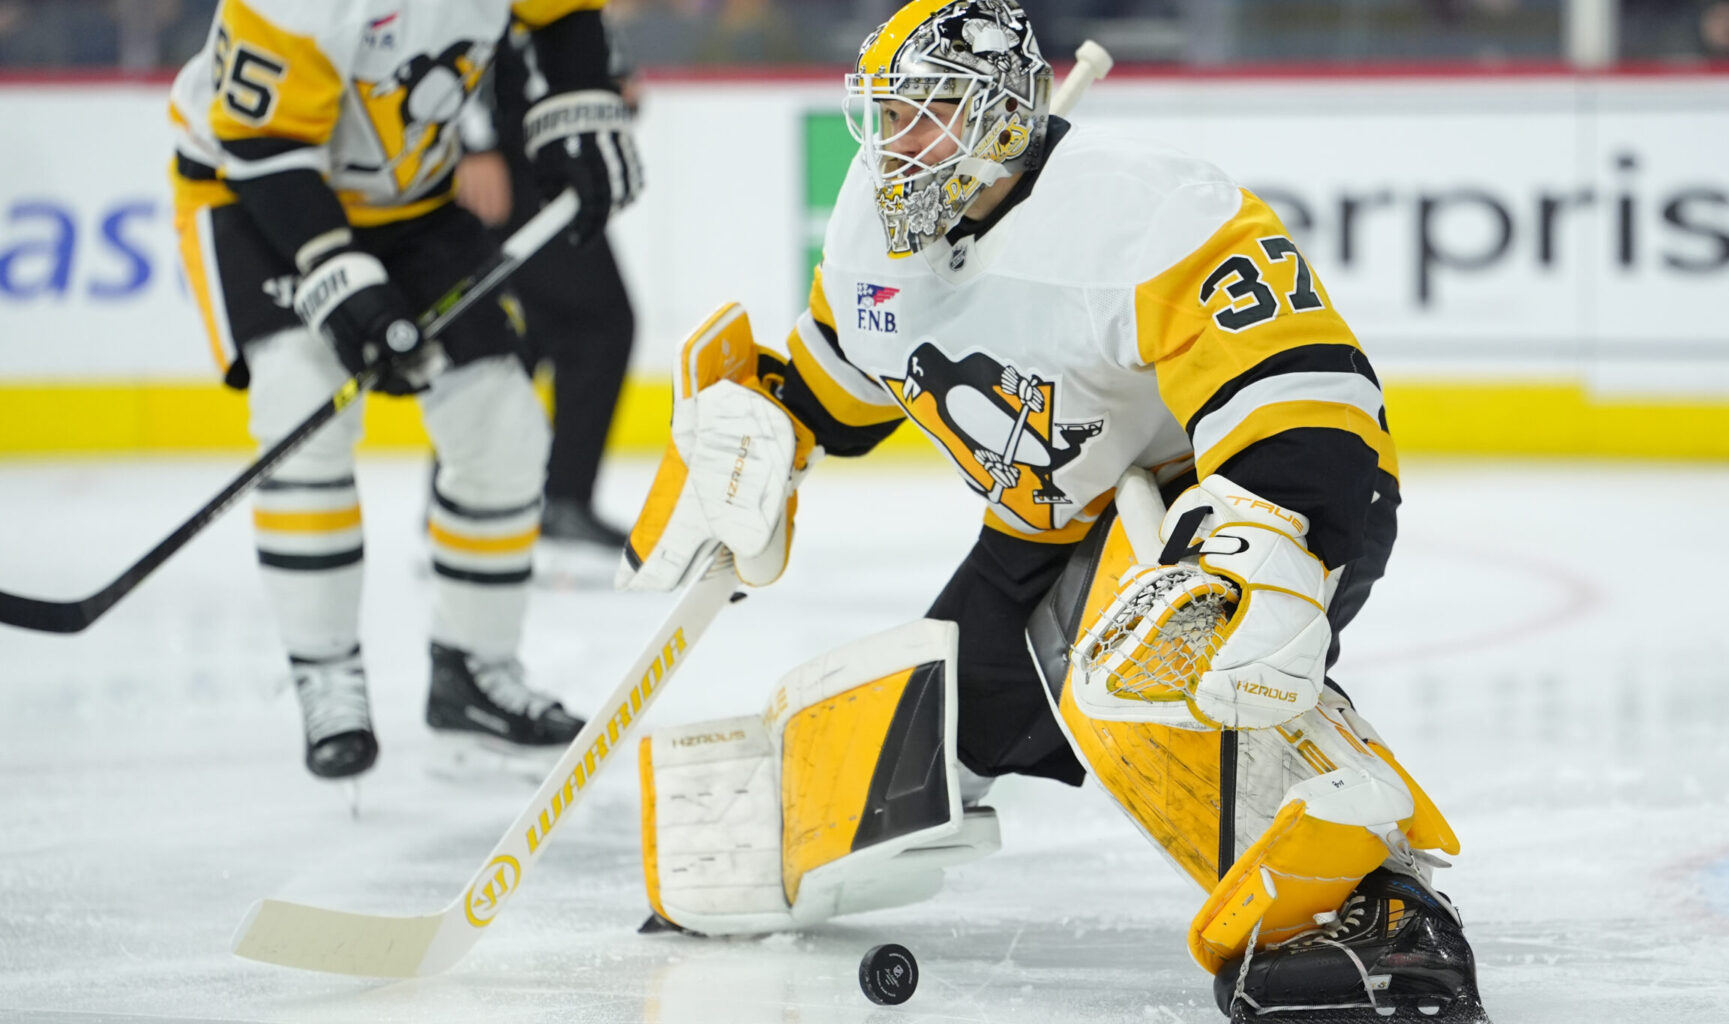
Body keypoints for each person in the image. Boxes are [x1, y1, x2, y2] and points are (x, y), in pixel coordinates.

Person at [616, 2, 1486, 1020]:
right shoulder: (876, 212)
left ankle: (1374, 916)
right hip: (1047, 528)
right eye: (888, 114)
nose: (898, 144)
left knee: (1147, 662)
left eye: (930, 113)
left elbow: (1303, 391)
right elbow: (852, 369)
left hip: (1219, 510)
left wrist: (1267, 541)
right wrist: (773, 421)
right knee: (905, 740)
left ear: (1003, 119)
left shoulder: (1151, 211)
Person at [167, 0, 641, 780]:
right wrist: (337, 271)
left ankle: (473, 674)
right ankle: (327, 677)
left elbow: (563, 15)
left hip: (413, 204)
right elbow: (265, 141)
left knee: (503, 426)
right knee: (299, 407)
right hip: (252, 192)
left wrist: (575, 108)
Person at [453, 23, 640, 557]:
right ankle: (542, 501)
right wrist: (472, 141)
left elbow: (566, 30)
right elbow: (453, 22)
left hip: (534, 151)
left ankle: (470, 502)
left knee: (530, 326)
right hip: (506, 158)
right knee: (593, 321)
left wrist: (609, 86)